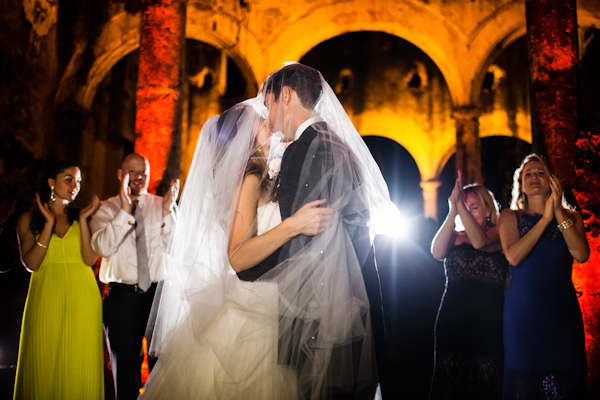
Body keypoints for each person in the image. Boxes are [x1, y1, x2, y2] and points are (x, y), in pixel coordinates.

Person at [143, 63, 394, 400]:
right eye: (260, 119)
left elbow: (318, 244)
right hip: (264, 307)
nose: (269, 120)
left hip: (286, 307)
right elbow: (243, 256)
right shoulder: (263, 174)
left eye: (269, 108)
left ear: (286, 96)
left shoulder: (300, 156)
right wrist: (291, 227)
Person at [499, 153, 590, 399]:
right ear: (521, 185)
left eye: (540, 172)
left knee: (565, 379)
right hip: (523, 315)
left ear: (552, 181)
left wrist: (558, 212)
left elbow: (581, 255)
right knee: (525, 381)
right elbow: (514, 256)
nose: (534, 177)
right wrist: (545, 219)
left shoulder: (572, 219)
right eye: (527, 173)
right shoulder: (510, 217)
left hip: (562, 313)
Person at [90, 153, 178, 400]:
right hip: (122, 299)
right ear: (120, 174)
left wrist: (167, 214)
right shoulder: (105, 209)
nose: (139, 177)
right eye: (132, 171)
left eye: (143, 172)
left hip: (158, 298)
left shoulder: (162, 205)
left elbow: (177, 249)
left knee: (162, 370)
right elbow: (103, 248)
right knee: (126, 373)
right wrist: (126, 211)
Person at [14, 160, 104, 400]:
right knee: (44, 360)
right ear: (51, 183)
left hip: (83, 298)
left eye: (79, 181)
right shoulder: (27, 219)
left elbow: (89, 259)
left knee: (78, 362)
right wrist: (49, 225)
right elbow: (31, 264)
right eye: (69, 179)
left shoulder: (85, 217)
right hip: (45, 297)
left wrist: (84, 222)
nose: (75, 186)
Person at [429, 177, 508, 399]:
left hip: (488, 321)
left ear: (488, 209)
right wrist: (452, 211)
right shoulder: (454, 236)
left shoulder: (500, 232)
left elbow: (479, 242)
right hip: (453, 319)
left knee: (486, 380)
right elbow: (436, 253)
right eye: (466, 207)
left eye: (474, 207)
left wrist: (459, 206)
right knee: (451, 382)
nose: (469, 212)